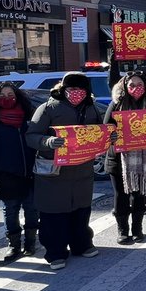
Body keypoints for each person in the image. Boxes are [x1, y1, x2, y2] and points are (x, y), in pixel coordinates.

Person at [26, 72, 103, 270]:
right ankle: (55, 252)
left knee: (81, 210)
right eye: (71, 89)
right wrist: (48, 142)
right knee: (54, 213)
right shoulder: (48, 108)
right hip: (54, 171)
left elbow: (100, 132)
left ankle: (82, 244)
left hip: (82, 170)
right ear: (63, 89)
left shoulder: (91, 108)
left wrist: (107, 139)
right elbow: (31, 136)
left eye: (80, 89)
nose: (76, 93)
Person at [103, 70, 146, 245]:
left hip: (144, 157)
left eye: (140, 85)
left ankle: (137, 229)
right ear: (125, 87)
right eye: (132, 85)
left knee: (139, 195)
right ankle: (122, 230)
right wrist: (113, 135)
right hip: (119, 158)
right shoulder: (117, 104)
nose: (136, 88)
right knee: (121, 195)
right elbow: (107, 126)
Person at [0, 83, 38, 262]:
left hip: (30, 173)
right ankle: (13, 245)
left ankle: (30, 242)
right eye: (3, 95)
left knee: (31, 209)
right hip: (6, 174)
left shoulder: (29, 119)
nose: (7, 98)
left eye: (10, 94)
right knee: (10, 210)